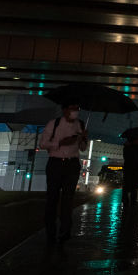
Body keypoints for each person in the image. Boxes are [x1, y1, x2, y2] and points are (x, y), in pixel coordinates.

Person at [38, 99, 88, 246]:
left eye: (77, 109)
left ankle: (65, 231)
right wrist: (60, 143)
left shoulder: (80, 124)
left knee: (68, 199)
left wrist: (84, 138)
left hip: (72, 164)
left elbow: (83, 148)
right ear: (65, 110)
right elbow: (42, 144)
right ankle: (50, 232)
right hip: (55, 163)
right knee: (52, 198)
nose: (75, 112)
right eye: (72, 108)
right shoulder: (54, 124)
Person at [121, 132, 138, 207]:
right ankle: (132, 200)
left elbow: (127, 158)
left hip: (129, 168)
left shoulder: (127, 147)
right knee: (134, 186)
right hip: (136, 169)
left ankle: (126, 200)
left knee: (127, 185)